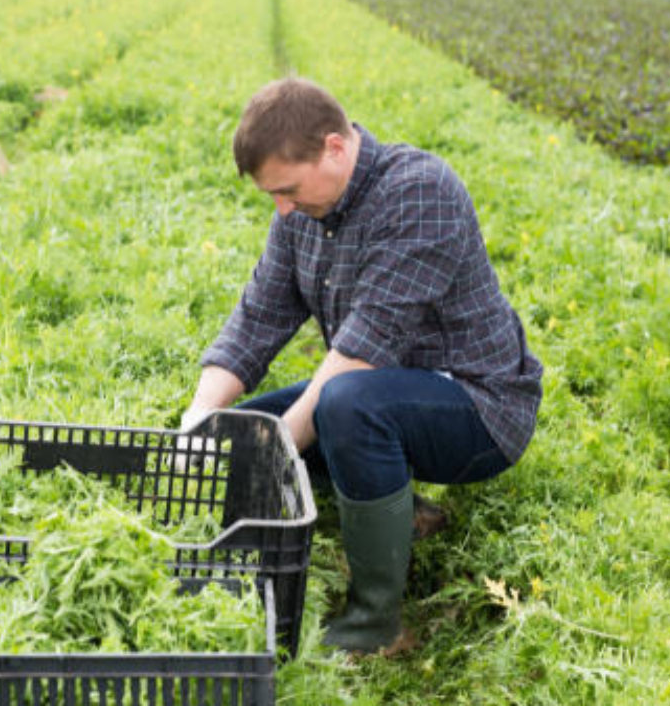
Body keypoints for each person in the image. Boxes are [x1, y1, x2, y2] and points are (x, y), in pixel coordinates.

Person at [181, 78, 543, 656]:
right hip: (385, 390)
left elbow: (361, 353)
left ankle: (376, 626)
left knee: (339, 406)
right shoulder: (302, 214)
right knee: (239, 432)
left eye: (288, 189)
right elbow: (259, 317)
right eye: (272, 195)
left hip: (479, 406)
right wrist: (198, 420)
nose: (282, 206)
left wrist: (270, 452)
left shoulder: (419, 192)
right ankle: (406, 513)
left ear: (333, 147)